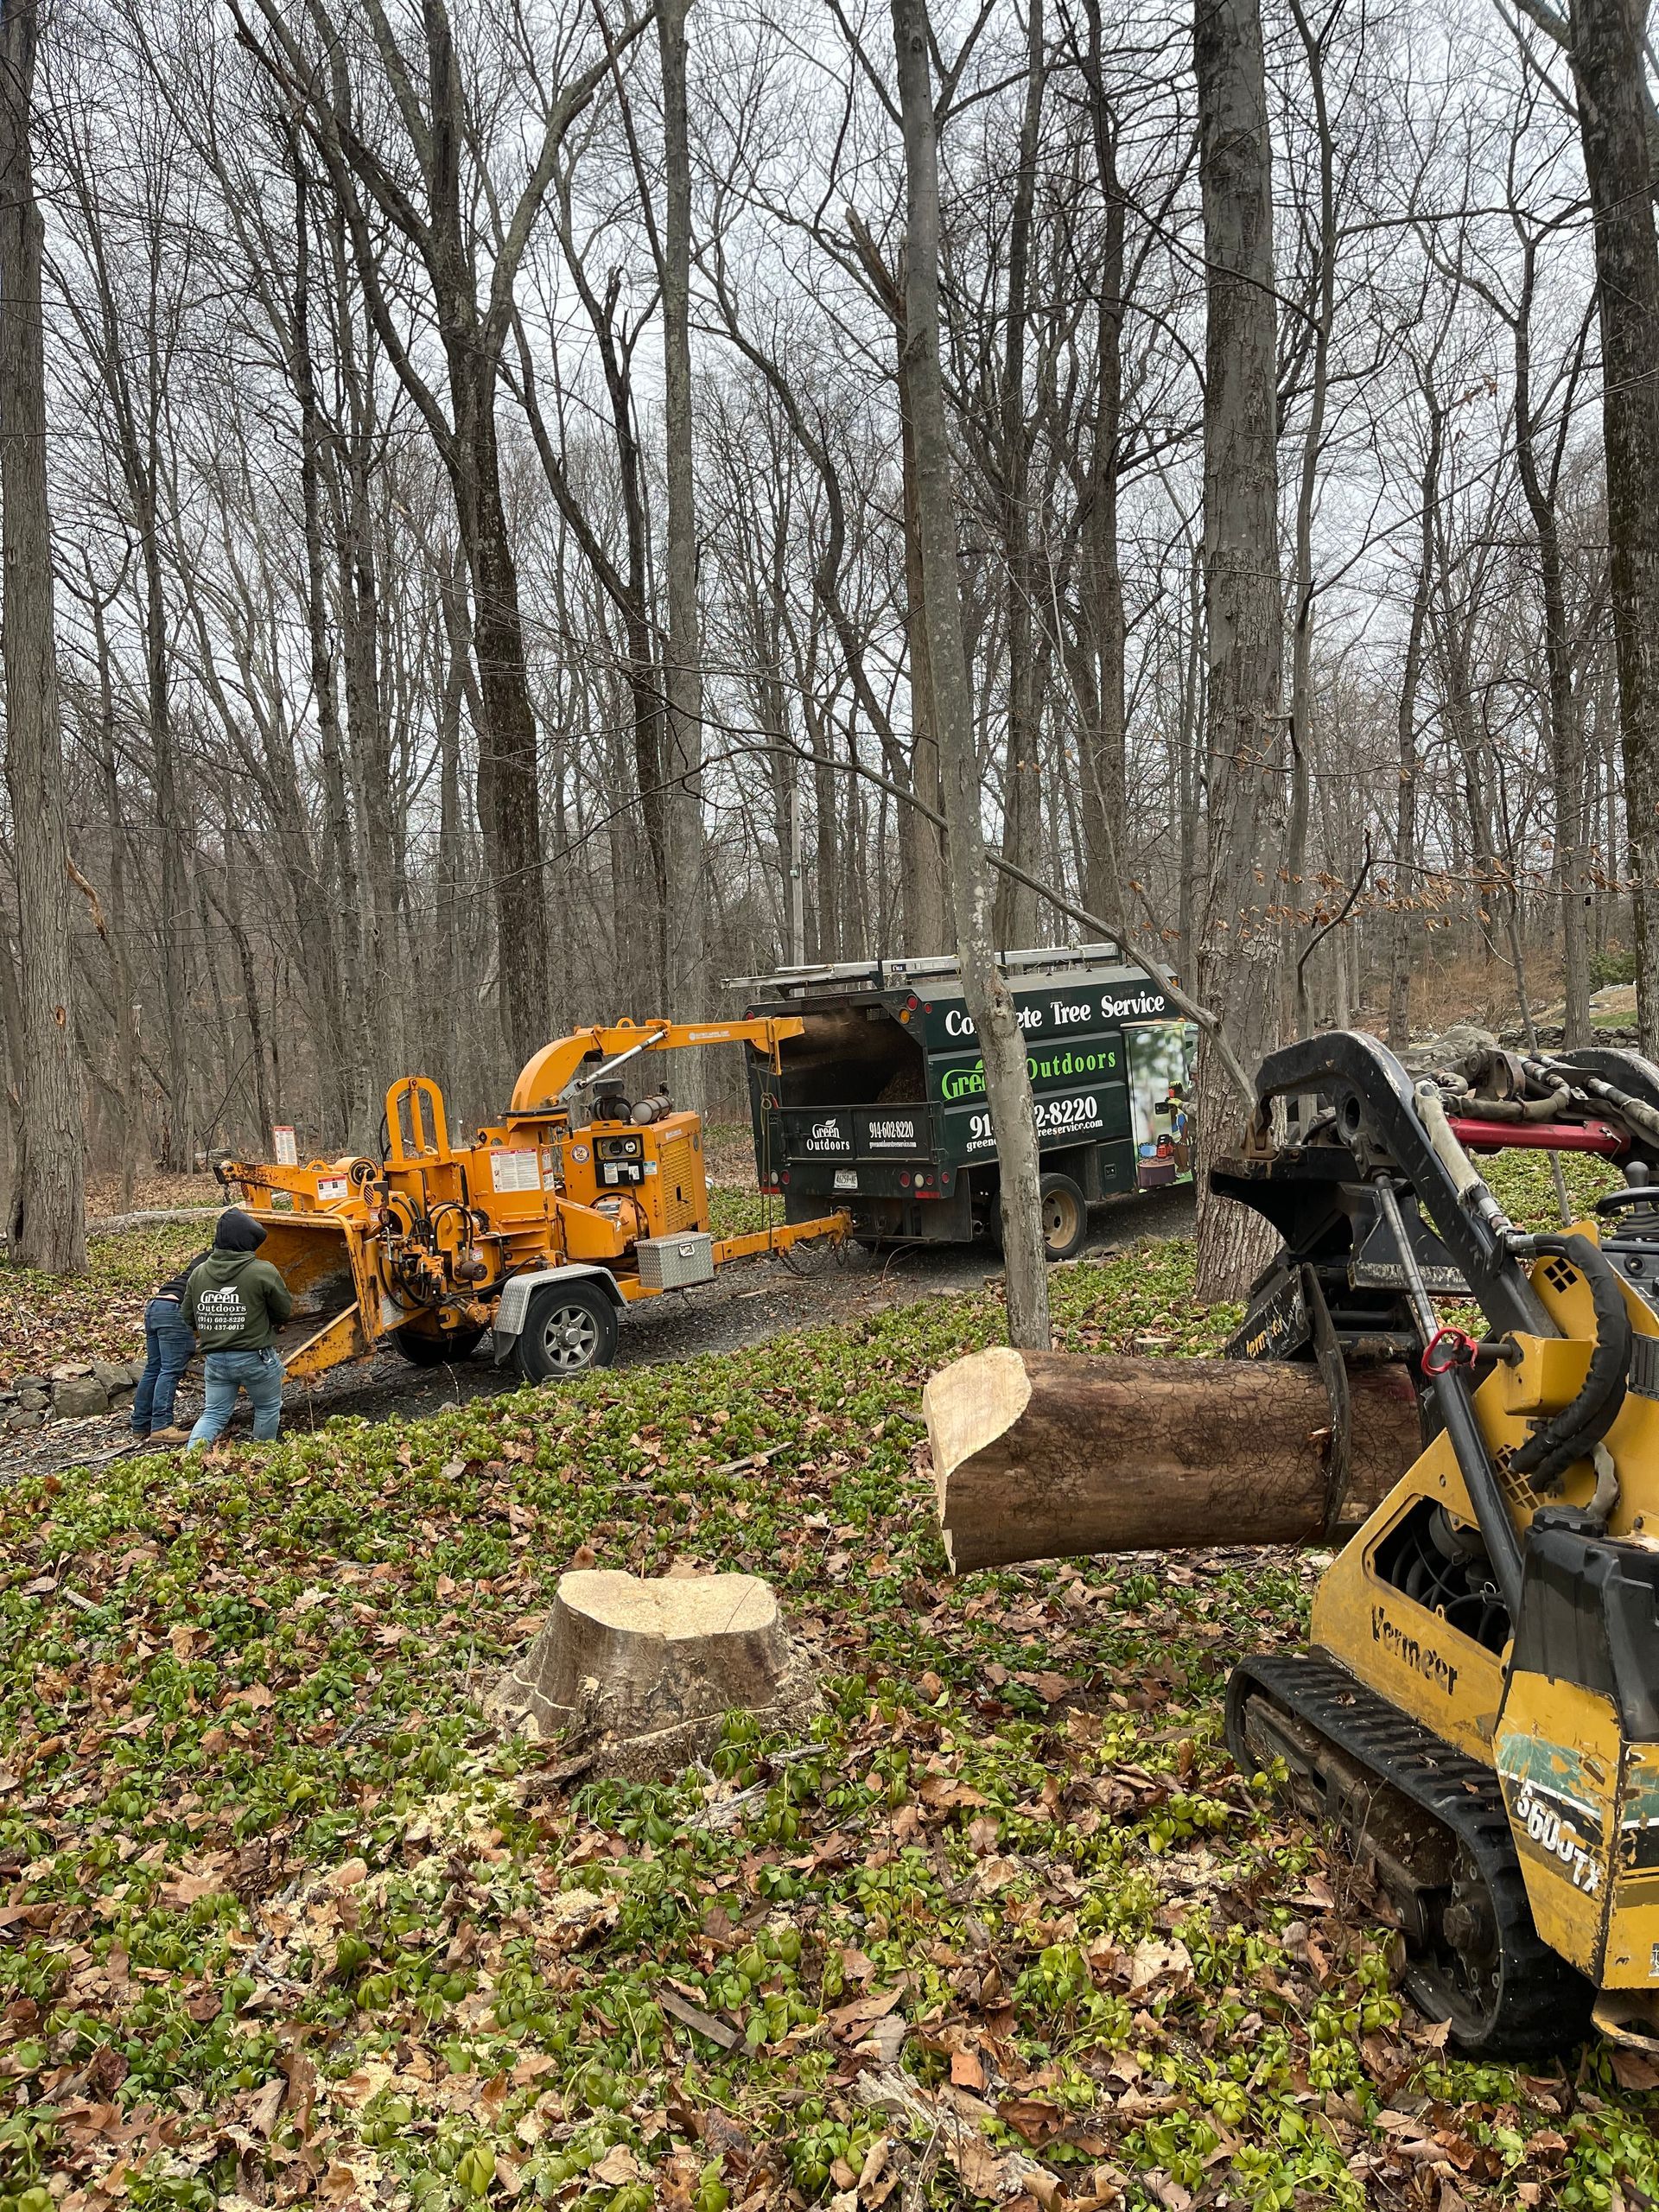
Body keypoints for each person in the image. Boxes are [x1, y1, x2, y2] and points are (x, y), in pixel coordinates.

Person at [182, 1209, 293, 1449]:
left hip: (216, 1360)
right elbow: (284, 1310)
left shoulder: (198, 1273)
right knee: (266, 1408)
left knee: (214, 1414)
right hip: (256, 1358)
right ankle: (260, 1460)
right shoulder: (262, 1271)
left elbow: (187, 1317)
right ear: (246, 1242)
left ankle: (190, 1459)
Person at [131, 1242, 212, 1443]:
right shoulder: (220, 1263)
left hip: (156, 1305)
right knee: (170, 1370)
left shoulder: (203, 1257)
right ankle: (161, 1426)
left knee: (153, 1368)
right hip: (175, 1309)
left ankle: (141, 1424)